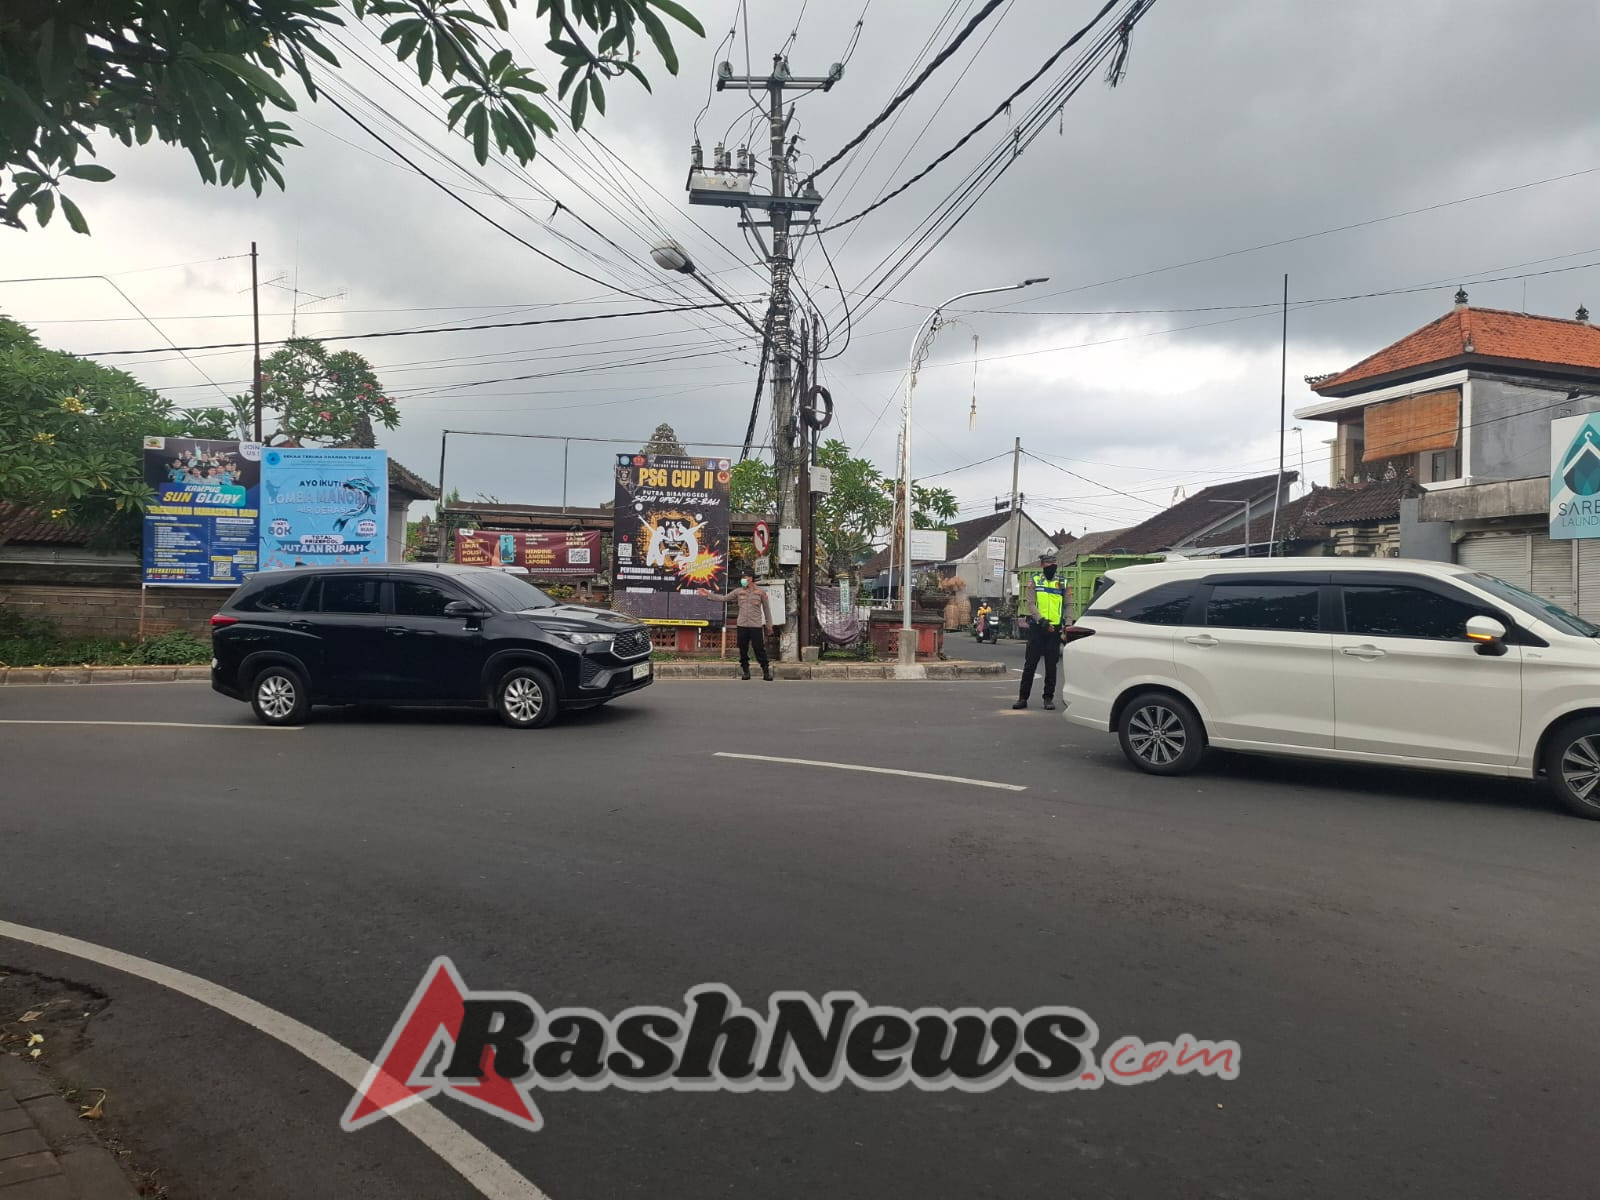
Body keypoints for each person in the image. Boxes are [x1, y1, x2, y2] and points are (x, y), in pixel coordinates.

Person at [1014, 552, 1067, 711]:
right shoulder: (1035, 581)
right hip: (1038, 628)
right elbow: (1031, 604)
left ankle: (1048, 698)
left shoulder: (1063, 583)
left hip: (1054, 629)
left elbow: (1069, 605)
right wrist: (1042, 621)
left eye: (1053, 564)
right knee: (1030, 664)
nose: (1050, 566)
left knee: (1052, 666)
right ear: (1042, 565)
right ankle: (1023, 698)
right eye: (1047, 564)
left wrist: (1068, 624)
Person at [697, 575, 774, 680]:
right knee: (743, 649)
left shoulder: (760, 592)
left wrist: (769, 625)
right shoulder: (738, 591)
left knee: (759, 649)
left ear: (750, 579)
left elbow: (766, 609)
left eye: (745, 578)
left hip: (756, 625)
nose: (742, 580)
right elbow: (724, 598)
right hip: (742, 625)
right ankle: (746, 672)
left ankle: (766, 671)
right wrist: (708, 594)